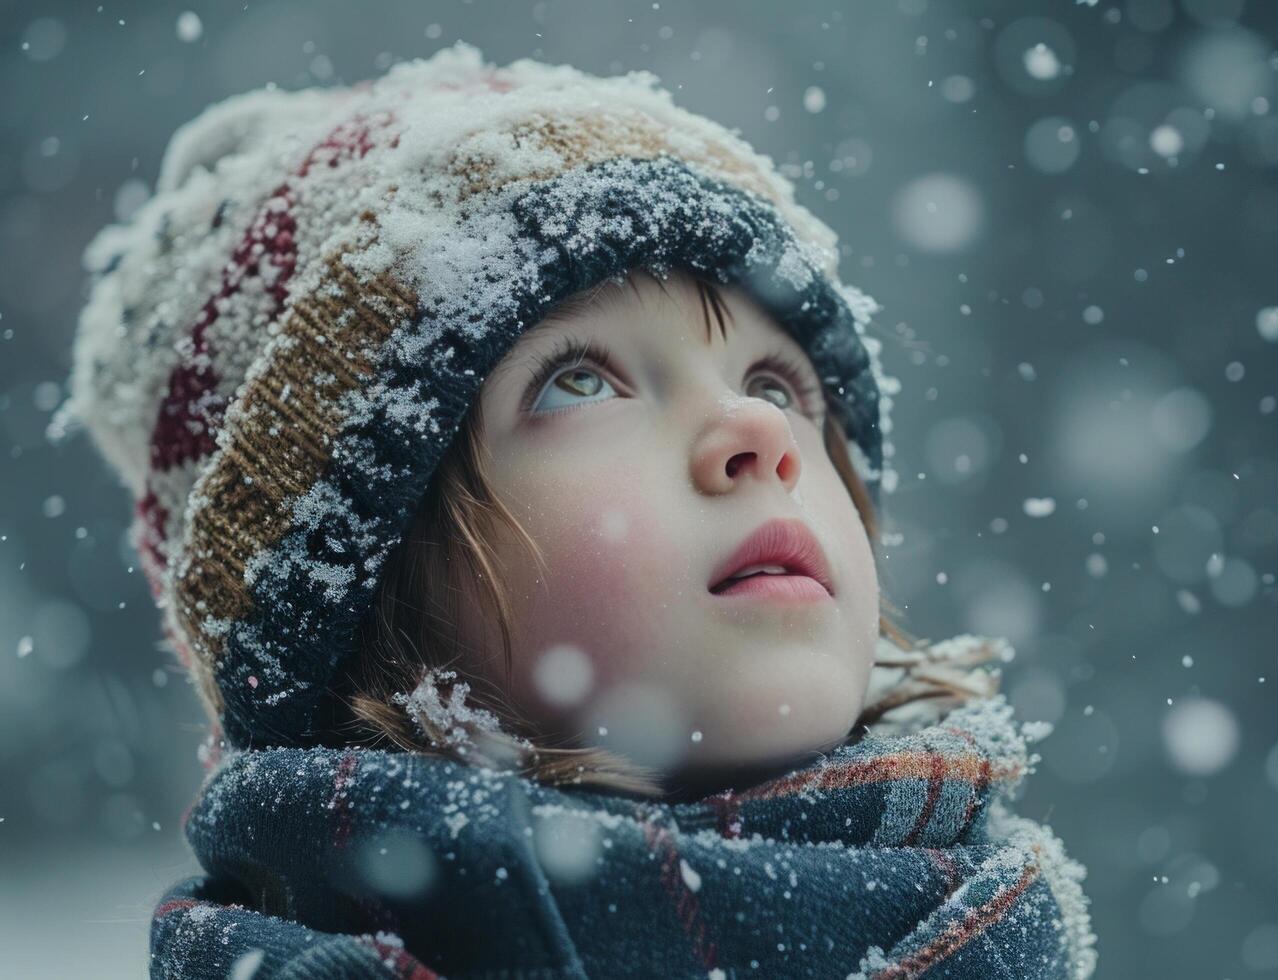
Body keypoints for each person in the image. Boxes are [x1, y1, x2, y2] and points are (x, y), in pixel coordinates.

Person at [54, 41, 1097, 979]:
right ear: (362, 596)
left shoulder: (995, 925)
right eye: (579, 380)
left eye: (778, 383)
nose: (757, 432)